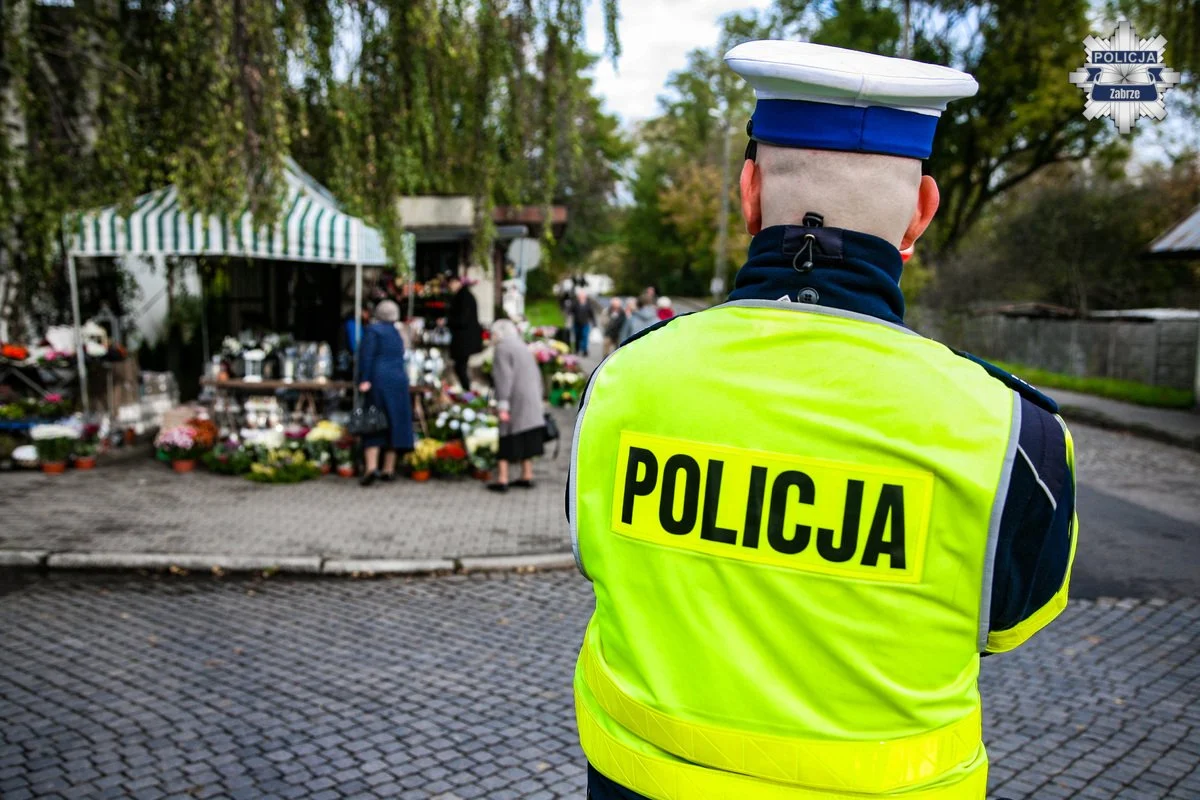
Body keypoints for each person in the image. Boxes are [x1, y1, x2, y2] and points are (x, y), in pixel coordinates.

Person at [571, 40, 1077, 800]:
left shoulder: (622, 383)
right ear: (921, 214)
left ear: (748, 192)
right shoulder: (1014, 434)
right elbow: (1007, 623)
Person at [356, 300, 414, 487]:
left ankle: (371, 468)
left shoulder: (373, 331)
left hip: (379, 379)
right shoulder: (400, 332)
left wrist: (364, 379)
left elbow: (367, 356)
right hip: (398, 379)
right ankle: (389, 469)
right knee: (395, 423)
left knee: (374, 422)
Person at [487, 318, 545, 493]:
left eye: (493, 333)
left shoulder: (502, 348)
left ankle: (502, 479)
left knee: (506, 436)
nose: (492, 337)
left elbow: (504, 378)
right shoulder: (521, 346)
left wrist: (502, 405)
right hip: (532, 397)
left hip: (515, 398)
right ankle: (527, 475)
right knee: (526, 435)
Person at [446, 274, 483, 390]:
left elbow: (462, 319)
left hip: (464, 340)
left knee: (460, 367)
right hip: (464, 339)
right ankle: (467, 393)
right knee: (460, 367)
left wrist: (448, 321)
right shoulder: (463, 296)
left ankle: (468, 394)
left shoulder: (463, 297)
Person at [568, 288, 596, 356]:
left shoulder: (588, 304)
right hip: (576, 323)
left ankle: (584, 350)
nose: (581, 297)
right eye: (580, 296)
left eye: (583, 296)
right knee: (577, 337)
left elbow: (591, 314)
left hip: (585, 324)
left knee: (584, 336)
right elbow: (570, 311)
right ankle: (577, 349)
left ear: (585, 297)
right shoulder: (575, 303)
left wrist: (594, 323)